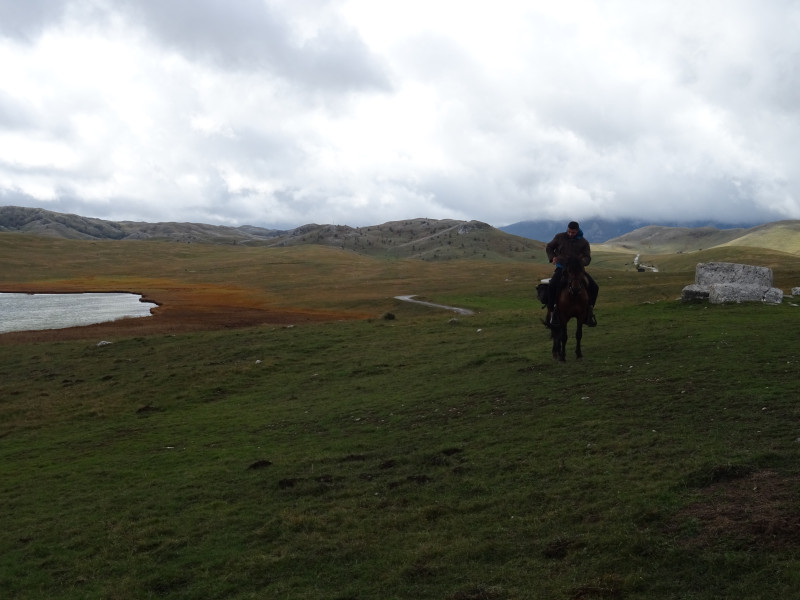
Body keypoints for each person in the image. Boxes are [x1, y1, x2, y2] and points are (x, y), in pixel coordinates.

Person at [545, 221, 598, 326]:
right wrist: (553, 257)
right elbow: (549, 247)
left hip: (578, 271)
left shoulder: (583, 242)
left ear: (577, 231)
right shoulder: (560, 237)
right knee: (552, 286)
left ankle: (589, 312)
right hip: (562, 268)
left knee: (594, 287)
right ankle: (552, 313)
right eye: (569, 231)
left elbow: (588, 257)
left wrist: (580, 263)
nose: (570, 234)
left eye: (573, 232)